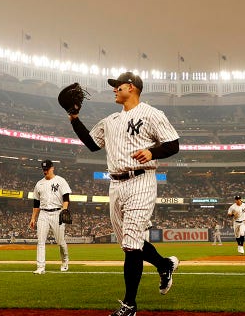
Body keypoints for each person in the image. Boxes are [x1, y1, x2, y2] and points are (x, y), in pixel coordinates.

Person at [67, 71, 180, 316]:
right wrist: (74, 118)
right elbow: (92, 144)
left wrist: (152, 152)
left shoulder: (151, 114)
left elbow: (173, 144)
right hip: (115, 185)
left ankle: (129, 305)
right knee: (130, 244)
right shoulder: (111, 120)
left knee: (131, 245)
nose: (114, 89)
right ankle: (165, 264)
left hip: (141, 180)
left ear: (132, 87)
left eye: (118, 86)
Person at [29, 159, 72, 275]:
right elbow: (36, 203)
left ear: (52, 168)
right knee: (40, 241)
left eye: (47, 169)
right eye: (43, 169)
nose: (45, 171)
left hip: (57, 213)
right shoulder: (39, 184)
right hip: (43, 214)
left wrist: (64, 209)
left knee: (60, 241)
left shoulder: (60, 181)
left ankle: (64, 261)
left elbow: (66, 198)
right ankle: (40, 267)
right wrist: (33, 218)